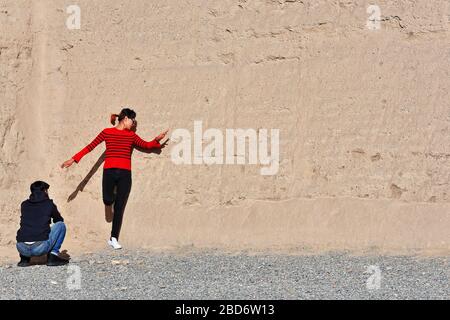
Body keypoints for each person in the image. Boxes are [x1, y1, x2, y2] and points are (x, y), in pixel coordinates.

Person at [61, 108, 168, 250]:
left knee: (119, 208)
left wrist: (156, 140)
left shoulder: (131, 136)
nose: (134, 123)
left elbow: (146, 145)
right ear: (125, 119)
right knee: (107, 200)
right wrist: (73, 159)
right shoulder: (107, 132)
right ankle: (110, 202)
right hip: (109, 172)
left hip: (125, 174)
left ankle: (113, 238)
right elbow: (90, 147)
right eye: (133, 120)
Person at [16, 181, 69, 267]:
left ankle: (24, 259)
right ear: (44, 191)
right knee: (61, 225)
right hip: (39, 249)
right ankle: (53, 256)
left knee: (26, 228)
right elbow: (59, 220)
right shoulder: (49, 204)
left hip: (21, 248)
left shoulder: (24, 204)